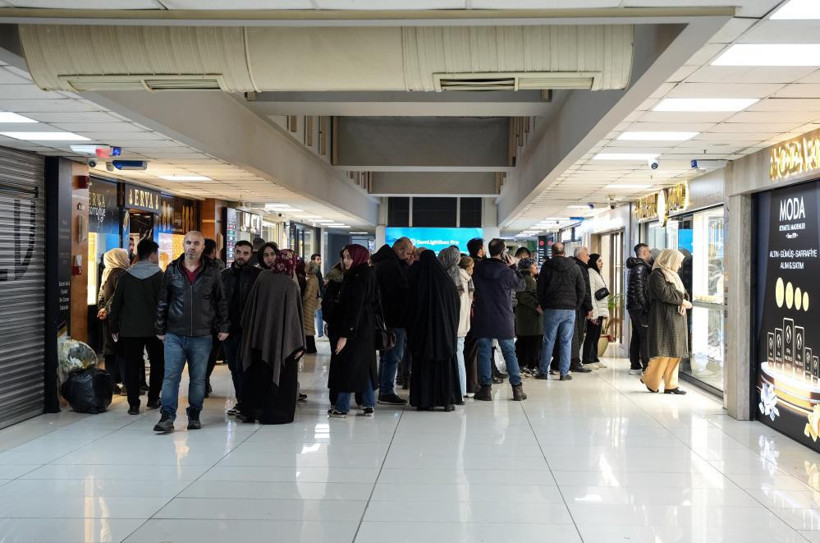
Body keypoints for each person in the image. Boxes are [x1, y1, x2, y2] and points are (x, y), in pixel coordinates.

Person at [153, 231, 229, 433]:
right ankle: (167, 416)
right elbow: (163, 301)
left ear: (203, 247)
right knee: (171, 377)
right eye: (188, 243)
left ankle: (194, 414)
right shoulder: (172, 270)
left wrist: (224, 326)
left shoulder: (212, 272)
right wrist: (160, 328)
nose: (192, 247)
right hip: (174, 334)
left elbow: (221, 301)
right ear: (183, 245)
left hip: (202, 335)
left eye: (196, 243)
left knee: (198, 379)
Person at [238, 249, 305, 424]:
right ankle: (276, 414)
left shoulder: (263, 278)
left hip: (257, 340)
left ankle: (252, 411)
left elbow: (250, 311)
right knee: (282, 376)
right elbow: (293, 320)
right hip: (281, 343)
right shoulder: (290, 285)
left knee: (257, 375)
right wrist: (299, 345)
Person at [109, 239, 165, 415]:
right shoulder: (159, 276)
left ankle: (133, 404)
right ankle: (154, 398)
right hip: (155, 330)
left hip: (130, 329)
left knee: (132, 365)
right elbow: (165, 303)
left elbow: (116, 304)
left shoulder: (126, 276)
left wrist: (114, 325)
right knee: (157, 364)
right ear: (153, 254)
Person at [405, 249, 462, 411]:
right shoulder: (447, 282)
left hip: (424, 336)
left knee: (424, 366)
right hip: (445, 335)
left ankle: (425, 401)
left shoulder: (419, 281)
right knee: (445, 367)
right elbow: (455, 308)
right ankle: (446, 400)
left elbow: (412, 308)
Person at [470, 239, 527, 402]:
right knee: (509, 352)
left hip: (483, 317)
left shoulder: (478, 269)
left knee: (484, 353)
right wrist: (514, 267)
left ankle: (485, 389)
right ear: (503, 253)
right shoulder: (508, 272)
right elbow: (521, 286)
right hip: (504, 318)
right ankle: (517, 390)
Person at [328, 244, 379, 417]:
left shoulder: (358, 276)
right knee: (363, 366)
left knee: (347, 366)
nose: (346, 260)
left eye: (350, 257)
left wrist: (345, 335)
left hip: (355, 329)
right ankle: (368, 403)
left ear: (358, 257)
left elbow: (354, 307)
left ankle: (342, 406)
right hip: (365, 328)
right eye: (344, 257)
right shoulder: (366, 273)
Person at [371, 237, 414, 406]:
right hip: (394, 318)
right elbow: (395, 293)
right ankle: (386, 391)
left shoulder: (387, 262)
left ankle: (384, 388)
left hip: (388, 317)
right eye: (409, 252)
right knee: (393, 355)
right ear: (400, 250)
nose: (410, 256)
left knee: (388, 355)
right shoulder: (390, 266)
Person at [220, 239, 260, 416]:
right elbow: (218, 301)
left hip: (248, 330)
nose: (241, 256)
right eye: (238, 252)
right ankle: (241, 401)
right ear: (233, 253)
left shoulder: (257, 276)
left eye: (245, 253)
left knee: (245, 366)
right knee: (234, 367)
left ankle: (247, 401)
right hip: (229, 329)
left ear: (251, 255)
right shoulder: (224, 275)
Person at [643, 249, 691, 395]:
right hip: (662, 318)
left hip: (676, 316)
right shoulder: (657, 274)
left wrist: (684, 301)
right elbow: (664, 293)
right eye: (678, 262)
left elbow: (683, 292)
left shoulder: (674, 275)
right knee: (663, 351)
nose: (680, 266)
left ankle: (671, 385)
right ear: (670, 260)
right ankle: (651, 381)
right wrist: (682, 301)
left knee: (675, 352)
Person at [536, 242, 586, 381]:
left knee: (548, 340)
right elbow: (581, 289)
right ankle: (564, 373)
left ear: (552, 253)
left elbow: (540, 289)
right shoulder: (575, 267)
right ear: (564, 252)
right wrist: (575, 306)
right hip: (569, 309)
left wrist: (544, 305)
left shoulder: (547, 267)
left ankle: (542, 371)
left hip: (551, 309)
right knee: (566, 341)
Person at [438, 248, 473, 399]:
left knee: (453, 357)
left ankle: (452, 390)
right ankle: (462, 390)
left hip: (452, 324)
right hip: (464, 322)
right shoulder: (468, 277)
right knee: (459, 357)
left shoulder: (449, 276)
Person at [97, 248, 130, 395]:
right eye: (126, 257)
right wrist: (108, 310)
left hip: (107, 320)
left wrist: (102, 310)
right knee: (123, 352)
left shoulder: (106, 273)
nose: (128, 260)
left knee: (110, 352)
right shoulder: (121, 274)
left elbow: (101, 295)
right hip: (120, 319)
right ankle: (126, 385)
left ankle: (110, 384)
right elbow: (119, 296)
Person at [626, 243, 652, 375]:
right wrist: (645, 306)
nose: (651, 255)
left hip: (633, 306)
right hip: (638, 307)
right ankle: (646, 367)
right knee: (644, 337)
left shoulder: (635, 267)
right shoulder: (641, 268)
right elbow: (639, 290)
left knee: (637, 335)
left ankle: (635, 365)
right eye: (649, 252)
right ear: (644, 252)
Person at [203, 237, 224, 397]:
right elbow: (221, 297)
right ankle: (203, 380)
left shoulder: (186, 266)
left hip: (194, 320)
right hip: (212, 319)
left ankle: (200, 380)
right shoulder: (217, 268)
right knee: (211, 352)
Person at [515, 258, 543, 375]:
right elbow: (523, 296)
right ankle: (529, 365)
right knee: (531, 342)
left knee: (527, 341)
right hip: (530, 317)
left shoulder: (529, 279)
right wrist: (536, 305)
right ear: (528, 267)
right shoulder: (526, 280)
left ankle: (526, 364)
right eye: (534, 265)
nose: (536, 267)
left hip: (528, 317)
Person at [582, 253, 610, 369]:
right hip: (595, 311)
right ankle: (587, 360)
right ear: (593, 262)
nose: (601, 263)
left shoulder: (597, 274)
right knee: (591, 335)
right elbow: (591, 294)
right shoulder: (591, 273)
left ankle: (594, 358)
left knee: (596, 335)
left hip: (600, 310)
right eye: (599, 261)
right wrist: (593, 312)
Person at [570, 247, 594, 374]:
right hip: (578, 307)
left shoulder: (573, 266)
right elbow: (584, 290)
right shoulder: (581, 269)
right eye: (587, 255)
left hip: (573, 306)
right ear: (580, 256)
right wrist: (589, 307)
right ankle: (575, 362)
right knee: (577, 335)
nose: (588, 257)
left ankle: (569, 361)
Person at [458, 256, 477, 396]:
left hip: (458, 323)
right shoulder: (467, 280)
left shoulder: (459, 278)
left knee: (458, 355)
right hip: (463, 323)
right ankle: (462, 389)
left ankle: (461, 389)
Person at [302, 260, 321, 354]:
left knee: (307, 325)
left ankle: (310, 348)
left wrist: (301, 299)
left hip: (307, 304)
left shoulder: (310, 280)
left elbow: (307, 293)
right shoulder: (315, 278)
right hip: (312, 303)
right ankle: (311, 347)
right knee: (310, 324)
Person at [311, 254, 325, 338]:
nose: (320, 261)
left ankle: (319, 333)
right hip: (316, 296)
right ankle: (320, 334)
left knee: (317, 315)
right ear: (313, 260)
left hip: (316, 295)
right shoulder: (314, 270)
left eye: (320, 259)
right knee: (319, 315)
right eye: (318, 259)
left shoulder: (316, 270)